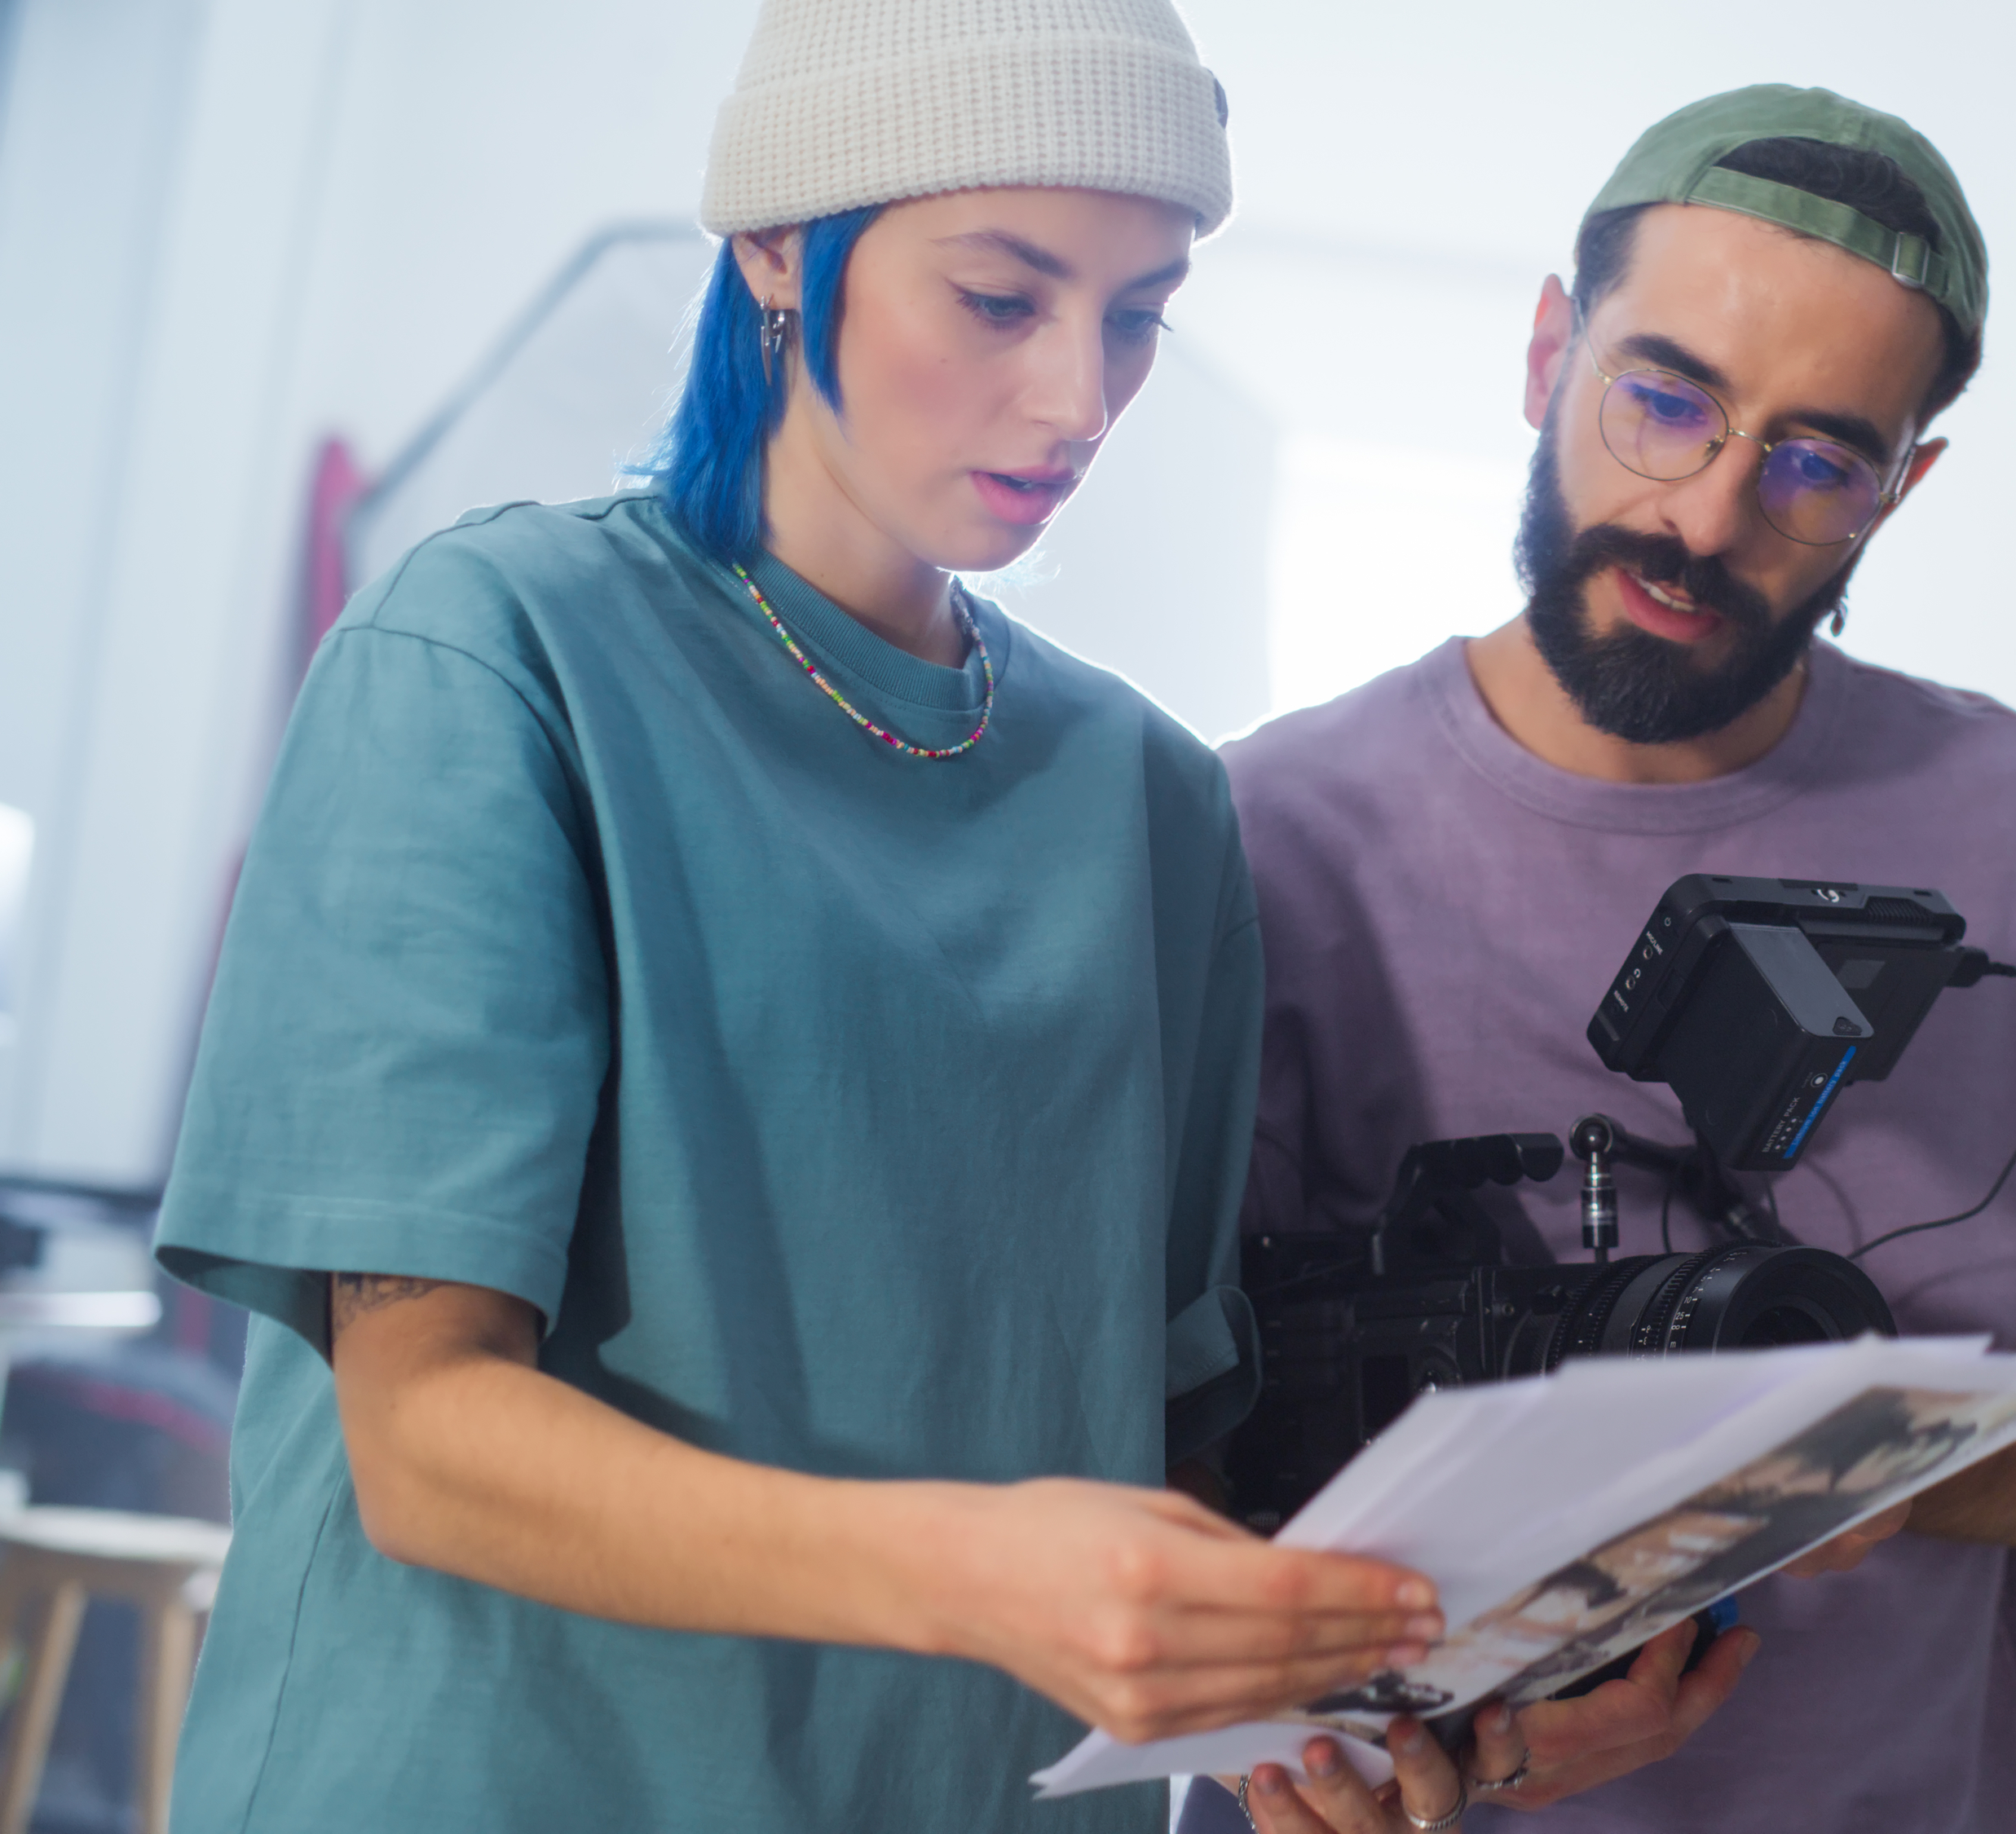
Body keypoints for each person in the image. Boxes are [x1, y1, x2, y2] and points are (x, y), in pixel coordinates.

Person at [143, 4, 1560, 1829]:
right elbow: (428, 1442)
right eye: (1000, 297)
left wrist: (1365, 1705)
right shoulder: (501, 652)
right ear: (775, 247)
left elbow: (1162, 1454)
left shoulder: (1146, 805)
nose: (1078, 398)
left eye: (1137, 315)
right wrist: (988, 1579)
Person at [1192, 86, 2016, 1832]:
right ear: (1548, 350)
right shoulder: (1254, 836)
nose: (1701, 516)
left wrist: (1851, 1477)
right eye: (1662, 401)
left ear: (1901, 486)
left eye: (1814, 461)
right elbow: (1146, 1435)